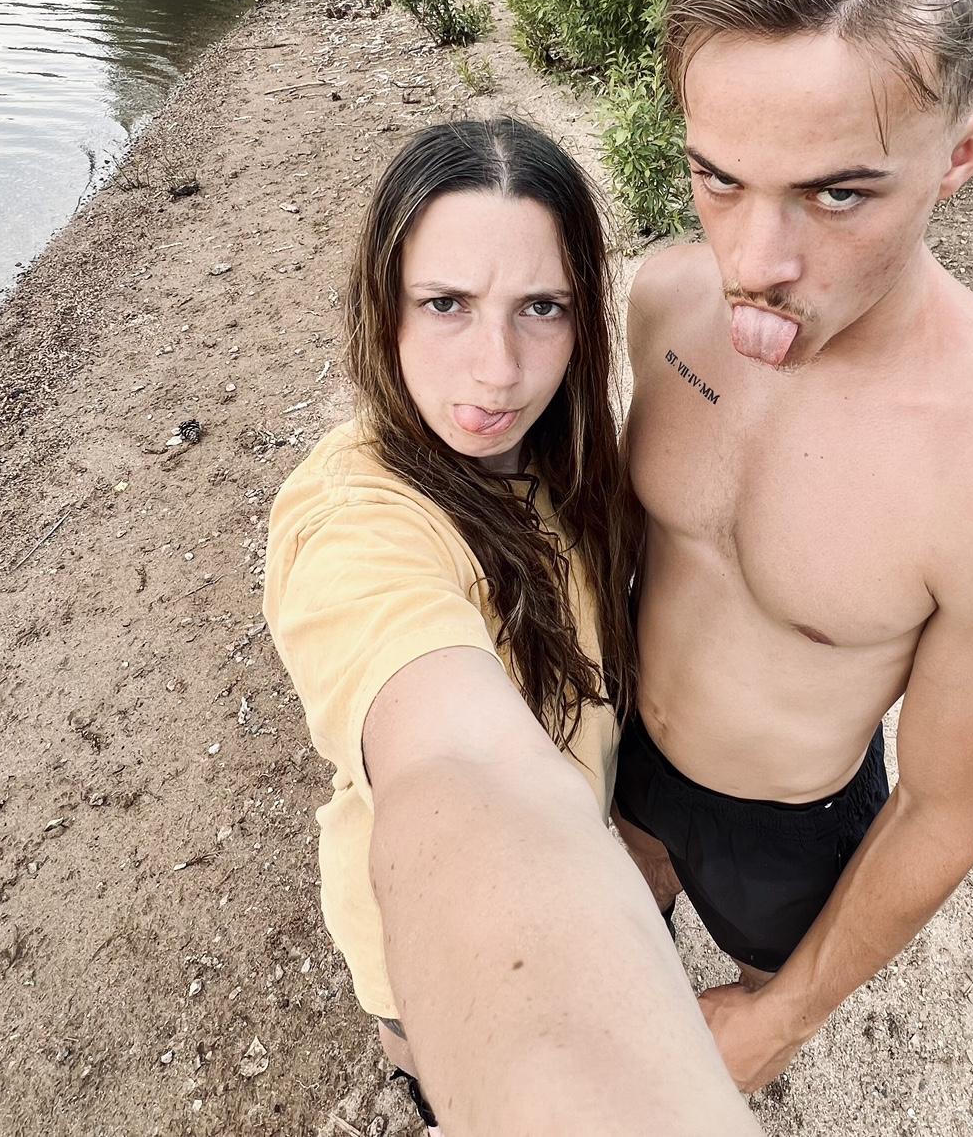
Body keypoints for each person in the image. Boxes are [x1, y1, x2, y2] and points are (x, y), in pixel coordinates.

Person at [612, 0, 973, 1093]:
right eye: (718, 177)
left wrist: (780, 1021)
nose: (755, 262)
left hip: (790, 826)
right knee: (617, 958)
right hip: (619, 750)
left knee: (744, 1031)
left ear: (966, 152)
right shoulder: (664, 298)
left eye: (838, 193)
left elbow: (943, 814)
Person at [263, 118, 760, 1136]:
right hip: (432, 960)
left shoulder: (569, 457)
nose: (498, 372)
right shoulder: (357, 520)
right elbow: (457, 763)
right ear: (381, 307)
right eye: (445, 304)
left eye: (541, 307)